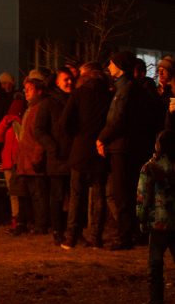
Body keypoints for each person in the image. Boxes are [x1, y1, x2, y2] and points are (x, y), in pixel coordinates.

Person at [97, 51, 157, 250]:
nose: (109, 67)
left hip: (121, 147)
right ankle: (133, 233)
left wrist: (102, 137)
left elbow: (118, 118)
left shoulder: (126, 90)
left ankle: (125, 236)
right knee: (128, 191)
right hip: (125, 145)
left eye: (112, 64)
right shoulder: (128, 88)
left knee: (122, 192)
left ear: (120, 67)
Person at [59, 62, 111, 249]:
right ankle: (96, 236)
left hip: (80, 149)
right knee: (99, 195)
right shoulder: (108, 95)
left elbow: (65, 122)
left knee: (76, 195)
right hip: (100, 149)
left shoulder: (79, 94)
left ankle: (71, 237)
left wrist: (77, 135)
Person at [35, 67, 74, 246]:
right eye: (65, 79)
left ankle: (73, 230)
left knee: (74, 195)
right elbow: (39, 129)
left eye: (71, 79)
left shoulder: (75, 100)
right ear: (57, 82)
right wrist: (52, 147)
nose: (69, 82)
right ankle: (58, 230)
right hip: (57, 157)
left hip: (73, 155)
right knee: (58, 196)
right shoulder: (49, 104)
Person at [136, 130, 175, 304]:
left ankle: (156, 299)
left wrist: (142, 219)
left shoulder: (150, 167)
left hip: (158, 222)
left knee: (155, 262)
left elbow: (142, 197)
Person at [14, 78, 48, 235]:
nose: (26, 92)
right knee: (24, 193)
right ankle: (24, 222)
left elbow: (40, 135)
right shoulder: (30, 108)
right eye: (25, 89)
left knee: (38, 194)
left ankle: (40, 224)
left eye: (30, 89)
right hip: (24, 158)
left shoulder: (40, 108)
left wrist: (37, 156)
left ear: (39, 91)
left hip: (32, 158)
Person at [0, 96, 25, 233]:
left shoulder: (21, 125)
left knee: (17, 193)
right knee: (12, 193)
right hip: (8, 163)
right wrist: (5, 122)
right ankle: (16, 220)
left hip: (17, 163)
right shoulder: (8, 125)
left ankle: (20, 220)